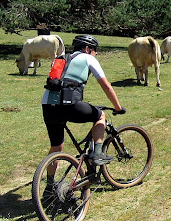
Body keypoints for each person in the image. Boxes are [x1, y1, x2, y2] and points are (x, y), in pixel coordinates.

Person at [42, 34, 126, 169]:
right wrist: (118, 107)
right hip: (70, 104)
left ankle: (49, 188)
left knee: (56, 147)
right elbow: (106, 86)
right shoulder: (88, 58)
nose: (96, 53)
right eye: (94, 50)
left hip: (48, 105)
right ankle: (98, 155)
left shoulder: (61, 59)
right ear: (87, 49)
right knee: (100, 116)